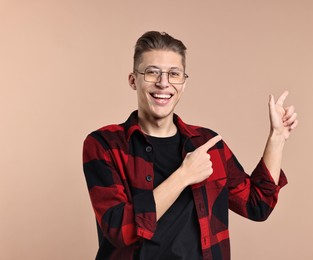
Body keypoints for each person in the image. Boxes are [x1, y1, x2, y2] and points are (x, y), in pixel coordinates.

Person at [82, 31, 298, 260]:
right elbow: (121, 230)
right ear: (133, 80)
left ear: (183, 84)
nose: (163, 83)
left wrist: (276, 137)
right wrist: (184, 175)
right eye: (152, 72)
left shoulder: (208, 145)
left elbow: (258, 206)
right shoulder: (104, 144)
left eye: (173, 74)